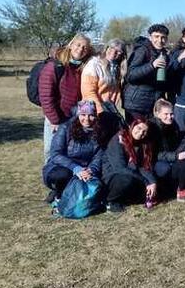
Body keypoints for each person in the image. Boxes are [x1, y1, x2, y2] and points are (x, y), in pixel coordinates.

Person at [39, 34, 94, 162]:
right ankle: (51, 177)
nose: (80, 49)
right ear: (71, 45)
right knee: (52, 150)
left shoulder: (83, 68)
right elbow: (46, 96)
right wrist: (54, 120)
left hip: (74, 118)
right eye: (78, 45)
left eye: (85, 48)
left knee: (70, 151)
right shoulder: (55, 66)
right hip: (56, 117)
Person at [42, 100, 104, 204]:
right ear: (78, 114)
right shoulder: (65, 128)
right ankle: (59, 193)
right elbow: (56, 154)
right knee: (62, 175)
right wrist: (76, 168)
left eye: (91, 115)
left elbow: (99, 155)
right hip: (62, 166)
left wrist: (91, 170)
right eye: (83, 115)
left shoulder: (99, 131)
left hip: (85, 169)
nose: (86, 119)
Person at [102, 118, 157, 212]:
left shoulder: (141, 145)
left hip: (130, 174)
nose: (140, 133)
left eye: (144, 132)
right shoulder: (118, 139)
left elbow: (142, 166)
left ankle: (125, 199)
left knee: (150, 192)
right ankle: (110, 201)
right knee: (126, 180)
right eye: (139, 128)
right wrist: (145, 181)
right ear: (132, 125)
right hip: (112, 176)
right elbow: (120, 168)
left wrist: (152, 182)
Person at [123, 24, 170, 124]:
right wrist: (152, 66)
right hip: (136, 104)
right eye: (156, 37)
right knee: (137, 135)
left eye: (163, 37)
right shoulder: (142, 50)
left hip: (152, 104)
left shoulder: (164, 54)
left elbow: (161, 82)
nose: (159, 40)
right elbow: (131, 76)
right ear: (150, 37)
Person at [81, 38, 126, 115]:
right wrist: (100, 111)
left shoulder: (116, 67)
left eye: (118, 51)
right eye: (111, 48)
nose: (113, 52)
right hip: (90, 109)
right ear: (106, 48)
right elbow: (88, 92)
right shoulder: (94, 64)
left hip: (108, 109)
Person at [150, 99, 183, 200]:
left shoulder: (174, 125)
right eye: (166, 114)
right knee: (165, 169)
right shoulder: (152, 128)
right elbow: (154, 154)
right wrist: (175, 156)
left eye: (171, 114)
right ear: (157, 113)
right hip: (155, 160)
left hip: (170, 156)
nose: (169, 117)